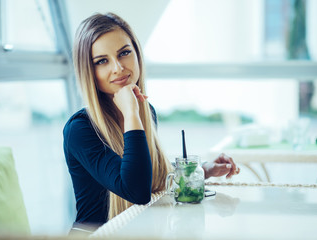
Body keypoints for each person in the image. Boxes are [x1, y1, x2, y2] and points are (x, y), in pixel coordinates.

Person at [63, 12, 240, 233]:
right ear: (89, 71)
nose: (117, 67)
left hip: (137, 231)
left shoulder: (145, 112)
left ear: (137, 54)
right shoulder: (80, 129)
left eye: (124, 53)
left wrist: (200, 170)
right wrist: (131, 114)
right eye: (102, 61)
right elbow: (137, 191)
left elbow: (152, 176)